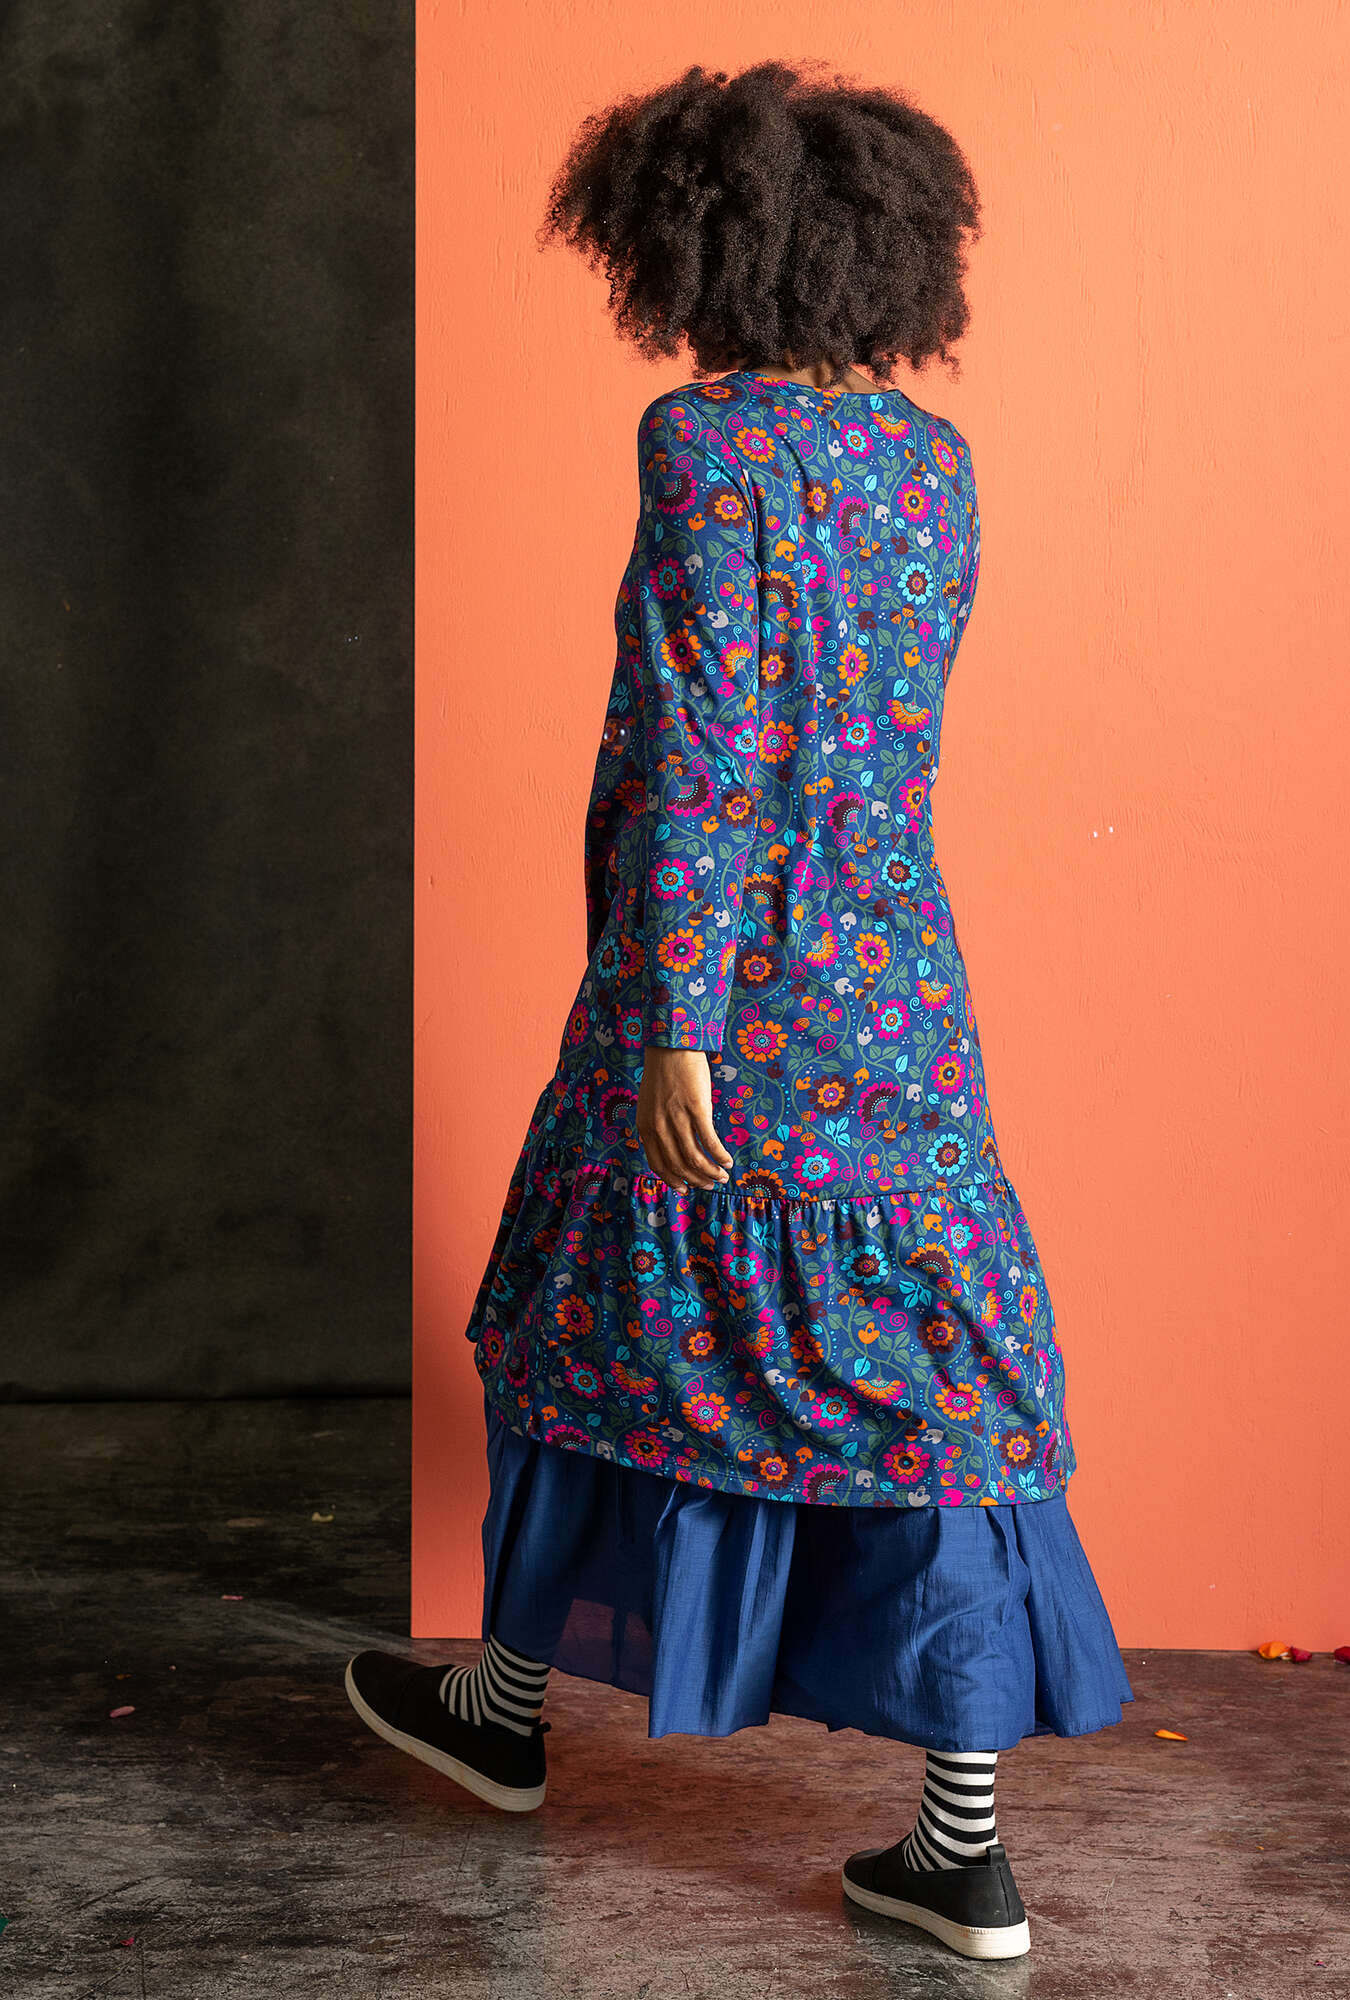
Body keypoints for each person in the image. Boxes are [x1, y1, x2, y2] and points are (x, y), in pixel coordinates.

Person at [346, 56, 1133, 1963]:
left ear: (693, 250)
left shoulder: (703, 444)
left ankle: (508, 1716)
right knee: (933, 1380)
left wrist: (679, 1012)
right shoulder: (930, 461)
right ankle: (958, 1850)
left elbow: (706, 743)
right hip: (897, 982)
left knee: (587, 1317)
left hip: (717, 980)